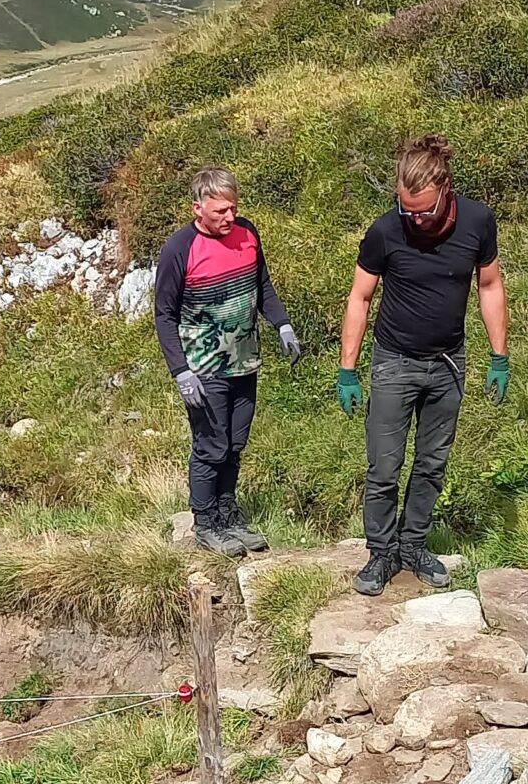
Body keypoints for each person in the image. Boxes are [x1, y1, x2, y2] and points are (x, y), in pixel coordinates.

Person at [338, 135, 509, 596]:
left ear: (446, 189)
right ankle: (381, 552)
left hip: (448, 365)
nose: (413, 219)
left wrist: (499, 356)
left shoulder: (478, 221)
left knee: (432, 463)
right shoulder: (384, 231)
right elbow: (360, 297)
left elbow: (489, 286)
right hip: (394, 362)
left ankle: (412, 546)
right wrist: (348, 369)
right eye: (406, 209)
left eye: (424, 210)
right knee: (384, 466)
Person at [153, 165, 303, 558]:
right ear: (197, 208)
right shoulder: (179, 249)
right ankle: (204, 522)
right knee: (211, 446)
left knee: (235, 444)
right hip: (204, 368)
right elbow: (164, 314)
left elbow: (262, 284)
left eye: (233, 208)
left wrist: (283, 325)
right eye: (220, 211)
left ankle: (228, 512)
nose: (229, 217)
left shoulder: (248, 234)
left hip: (245, 361)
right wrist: (181, 371)